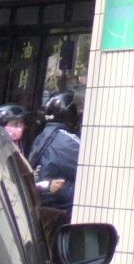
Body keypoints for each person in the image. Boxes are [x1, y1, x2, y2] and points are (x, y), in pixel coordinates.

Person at [28, 93, 81, 221]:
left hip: (43, 206)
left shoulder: (42, 136)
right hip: (60, 208)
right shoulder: (67, 141)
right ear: (71, 113)